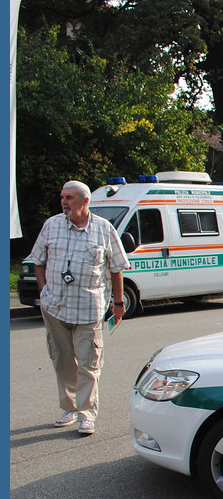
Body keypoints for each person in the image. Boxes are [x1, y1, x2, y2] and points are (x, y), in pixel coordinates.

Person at [27, 180, 131, 435]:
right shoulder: (51, 225)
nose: (64, 202)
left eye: (70, 198)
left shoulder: (103, 229)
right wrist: (44, 290)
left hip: (89, 308)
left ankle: (86, 414)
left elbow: (116, 268)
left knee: (88, 364)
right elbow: (38, 260)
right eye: (63, 197)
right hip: (55, 307)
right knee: (62, 360)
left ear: (85, 201)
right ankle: (70, 408)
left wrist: (118, 303)